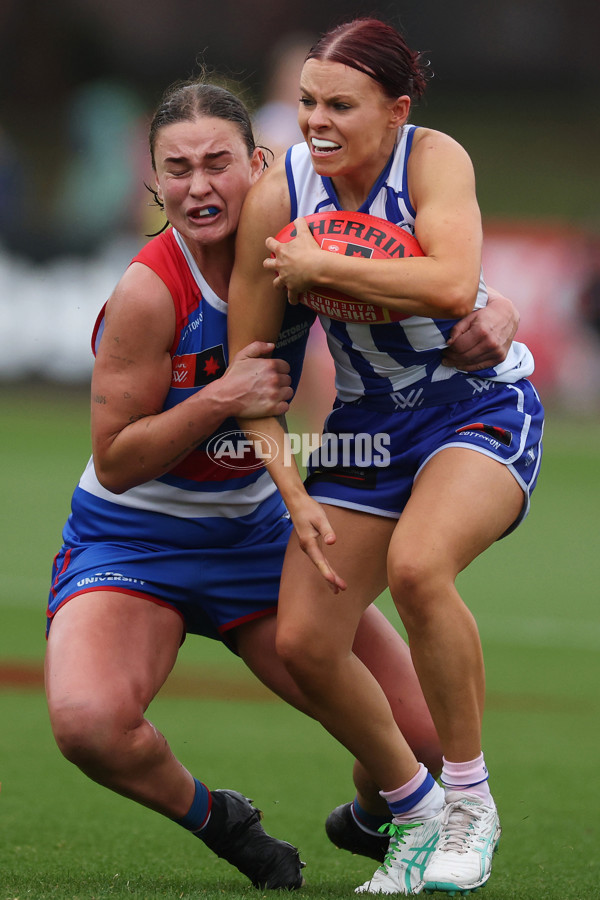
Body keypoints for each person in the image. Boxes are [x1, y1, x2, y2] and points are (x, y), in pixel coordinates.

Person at [45, 74, 520, 892]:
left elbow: (422, 278)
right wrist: (222, 398)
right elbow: (117, 459)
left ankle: (377, 814)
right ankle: (222, 820)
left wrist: (495, 309)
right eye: (177, 168)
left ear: (259, 164)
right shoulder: (148, 291)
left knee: (433, 742)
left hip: (263, 534)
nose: (199, 186)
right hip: (138, 540)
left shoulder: (303, 245)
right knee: (90, 725)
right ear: (152, 184)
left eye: (218, 162)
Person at [227, 18, 544, 896]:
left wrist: (323, 263)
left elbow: (449, 283)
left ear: (397, 111)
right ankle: (415, 809)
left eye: (341, 105)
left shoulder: (435, 159)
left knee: (419, 567)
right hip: (367, 424)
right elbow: (252, 377)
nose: (316, 123)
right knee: (304, 640)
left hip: (475, 406)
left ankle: (473, 806)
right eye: (306, 103)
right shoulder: (281, 189)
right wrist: (290, 488)